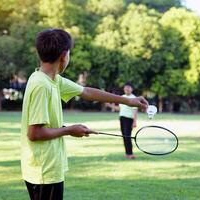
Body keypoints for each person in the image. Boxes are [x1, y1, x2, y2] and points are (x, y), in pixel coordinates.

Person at [20, 28, 148, 200]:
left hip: (48, 167)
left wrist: (128, 101)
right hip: (44, 169)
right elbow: (34, 133)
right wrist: (69, 130)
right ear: (64, 56)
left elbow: (86, 92)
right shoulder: (41, 85)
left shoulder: (52, 80)